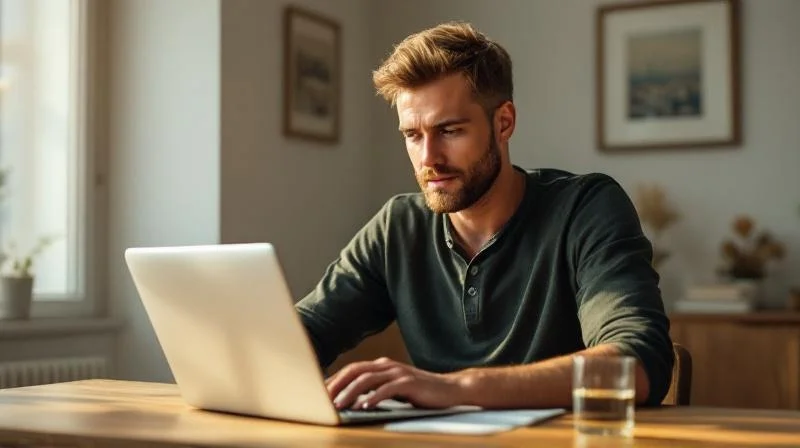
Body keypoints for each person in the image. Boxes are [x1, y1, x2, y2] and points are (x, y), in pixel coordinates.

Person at [295, 21, 673, 411]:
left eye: (450, 130)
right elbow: (299, 334)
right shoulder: (398, 227)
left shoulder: (586, 208)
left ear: (503, 122)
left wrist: (459, 388)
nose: (429, 159)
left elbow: (639, 362)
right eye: (412, 135)